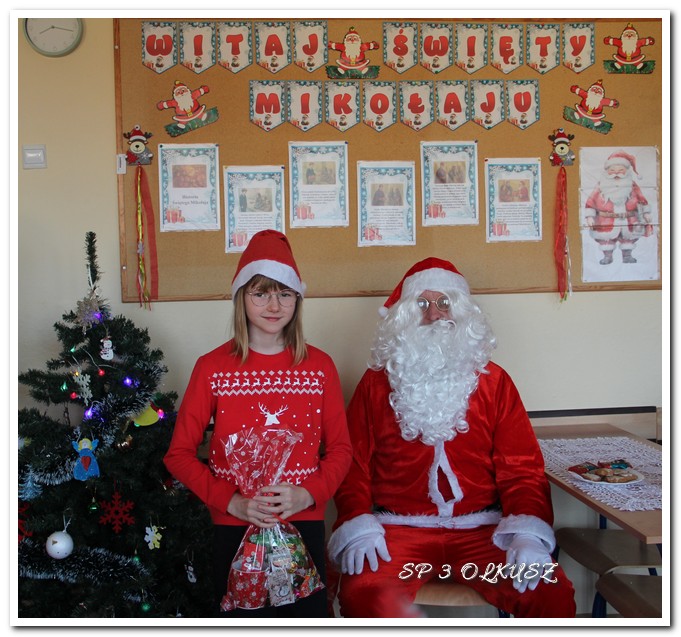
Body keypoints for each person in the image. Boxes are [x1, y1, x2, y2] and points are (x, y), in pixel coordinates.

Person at [327, 258, 576, 618]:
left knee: (548, 593)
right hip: (398, 531)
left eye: (444, 303)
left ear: (462, 312)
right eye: (421, 304)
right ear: (404, 316)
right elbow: (352, 465)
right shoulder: (375, 384)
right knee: (364, 594)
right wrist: (358, 523)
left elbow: (522, 469)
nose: (433, 315)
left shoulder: (494, 382)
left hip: (484, 532)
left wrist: (526, 532)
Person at [164, 229, 352, 617]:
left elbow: (341, 450)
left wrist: (308, 494)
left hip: (303, 524)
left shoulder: (320, 367)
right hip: (234, 526)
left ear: (297, 299)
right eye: (261, 293)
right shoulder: (212, 368)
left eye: (284, 293)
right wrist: (230, 501)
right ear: (242, 297)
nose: (274, 305)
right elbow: (178, 455)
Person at [584, 151, 653, 265]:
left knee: (629, 239)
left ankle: (627, 255)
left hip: (629, 220)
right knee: (606, 240)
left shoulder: (632, 185)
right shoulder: (601, 185)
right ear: (607, 172)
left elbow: (641, 198)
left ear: (627, 171)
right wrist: (589, 216)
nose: (616, 173)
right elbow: (591, 200)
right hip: (606, 221)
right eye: (612, 170)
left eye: (621, 170)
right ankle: (607, 256)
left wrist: (646, 213)